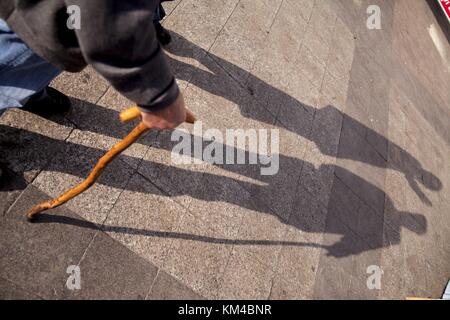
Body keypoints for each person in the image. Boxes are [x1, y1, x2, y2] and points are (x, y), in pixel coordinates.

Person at [0, 0, 185, 130]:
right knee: (8, 72)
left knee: (39, 62)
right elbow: (105, 10)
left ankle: (29, 90)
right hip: (34, 14)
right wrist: (157, 93)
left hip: (67, 19)